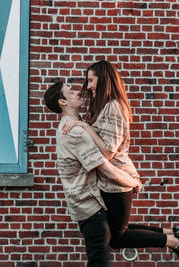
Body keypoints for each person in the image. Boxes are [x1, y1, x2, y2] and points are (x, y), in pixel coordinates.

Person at [60, 60, 179, 267]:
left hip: (117, 180)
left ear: (103, 79)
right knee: (117, 233)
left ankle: (174, 242)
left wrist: (83, 126)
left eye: (90, 80)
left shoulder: (113, 106)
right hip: (111, 181)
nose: (87, 87)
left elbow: (107, 150)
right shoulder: (107, 106)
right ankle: (172, 233)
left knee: (118, 237)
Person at [43, 80, 142, 266]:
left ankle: (172, 238)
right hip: (89, 206)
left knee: (115, 238)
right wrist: (133, 182)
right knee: (99, 261)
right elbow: (106, 169)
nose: (77, 92)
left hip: (89, 204)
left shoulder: (76, 125)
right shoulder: (74, 132)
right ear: (62, 102)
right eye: (70, 91)